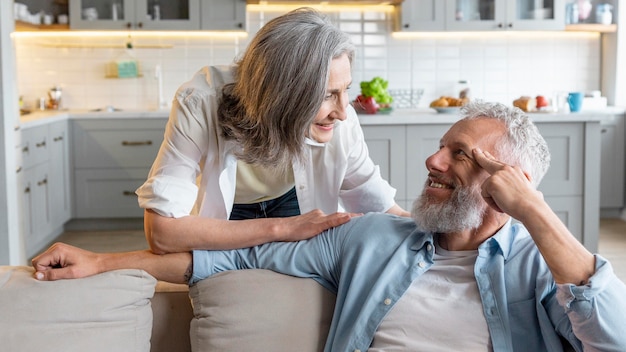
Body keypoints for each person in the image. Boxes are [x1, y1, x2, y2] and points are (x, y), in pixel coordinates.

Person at [33, 101, 626, 350]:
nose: (433, 162)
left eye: (460, 154)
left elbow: (613, 339)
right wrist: (104, 261)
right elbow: (227, 260)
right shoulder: (372, 237)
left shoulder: (545, 265)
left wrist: (536, 214)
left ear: (512, 183)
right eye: (441, 146)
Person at [136, 7, 408, 255]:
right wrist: (283, 228)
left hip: (291, 199)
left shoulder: (339, 120)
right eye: (326, 95)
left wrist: (441, 231)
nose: (343, 113)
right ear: (279, 96)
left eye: (345, 89)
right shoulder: (200, 102)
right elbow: (161, 234)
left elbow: (381, 206)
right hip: (230, 212)